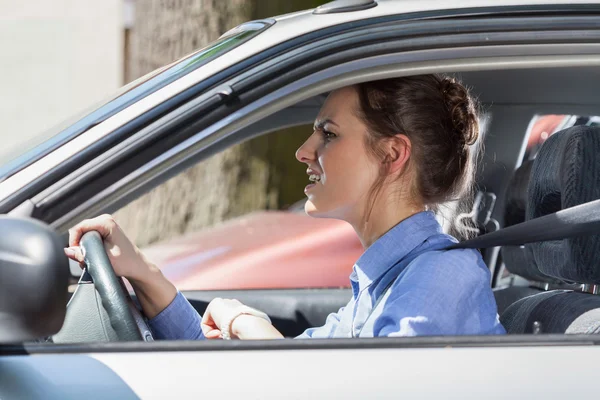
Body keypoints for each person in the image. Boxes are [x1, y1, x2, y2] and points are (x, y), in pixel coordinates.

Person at [65, 75, 506, 340]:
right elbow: (288, 371)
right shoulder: (387, 280)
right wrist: (144, 273)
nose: (303, 151)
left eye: (328, 134)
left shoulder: (441, 278)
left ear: (392, 155)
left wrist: (249, 324)